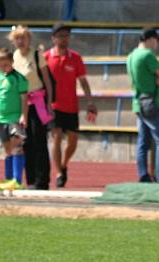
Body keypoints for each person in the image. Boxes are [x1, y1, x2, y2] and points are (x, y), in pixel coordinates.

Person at [44, 22, 96, 188]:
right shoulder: (46, 58)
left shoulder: (75, 58)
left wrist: (90, 101)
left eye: (66, 35)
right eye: (60, 35)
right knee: (56, 137)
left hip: (71, 106)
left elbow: (83, 82)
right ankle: (58, 172)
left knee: (73, 142)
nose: (64, 39)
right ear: (53, 38)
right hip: (53, 106)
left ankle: (64, 164)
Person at [10, 25, 54, 190]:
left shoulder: (36, 55)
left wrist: (49, 102)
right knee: (26, 141)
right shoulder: (14, 56)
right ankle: (30, 179)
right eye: (17, 38)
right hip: (22, 103)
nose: (21, 41)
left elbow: (47, 80)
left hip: (37, 101)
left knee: (39, 139)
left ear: (29, 39)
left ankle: (42, 179)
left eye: (23, 38)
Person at [127, 27, 159, 183]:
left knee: (143, 142)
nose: (156, 44)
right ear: (150, 39)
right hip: (152, 103)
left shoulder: (131, 56)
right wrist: (158, 81)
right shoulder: (147, 55)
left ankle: (143, 175)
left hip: (138, 103)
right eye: (156, 41)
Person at [0, 47, 28, 191]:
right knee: (7, 149)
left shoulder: (19, 78)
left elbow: (24, 98)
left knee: (17, 146)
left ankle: (17, 181)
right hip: (2, 119)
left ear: (12, 62)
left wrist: (24, 115)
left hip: (15, 118)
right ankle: (8, 178)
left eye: (5, 64)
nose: (3, 68)